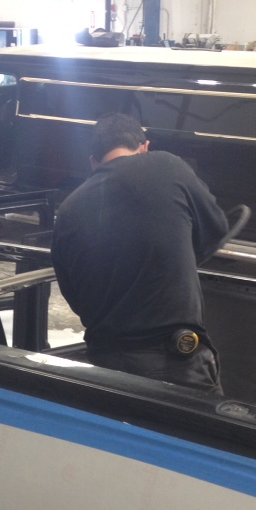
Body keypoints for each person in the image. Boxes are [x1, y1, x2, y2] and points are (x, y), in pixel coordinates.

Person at [51, 113, 231, 394]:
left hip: (105, 361)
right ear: (145, 147)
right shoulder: (167, 165)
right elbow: (216, 230)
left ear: (93, 162)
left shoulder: (68, 208)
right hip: (174, 360)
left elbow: (74, 295)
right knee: (191, 424)